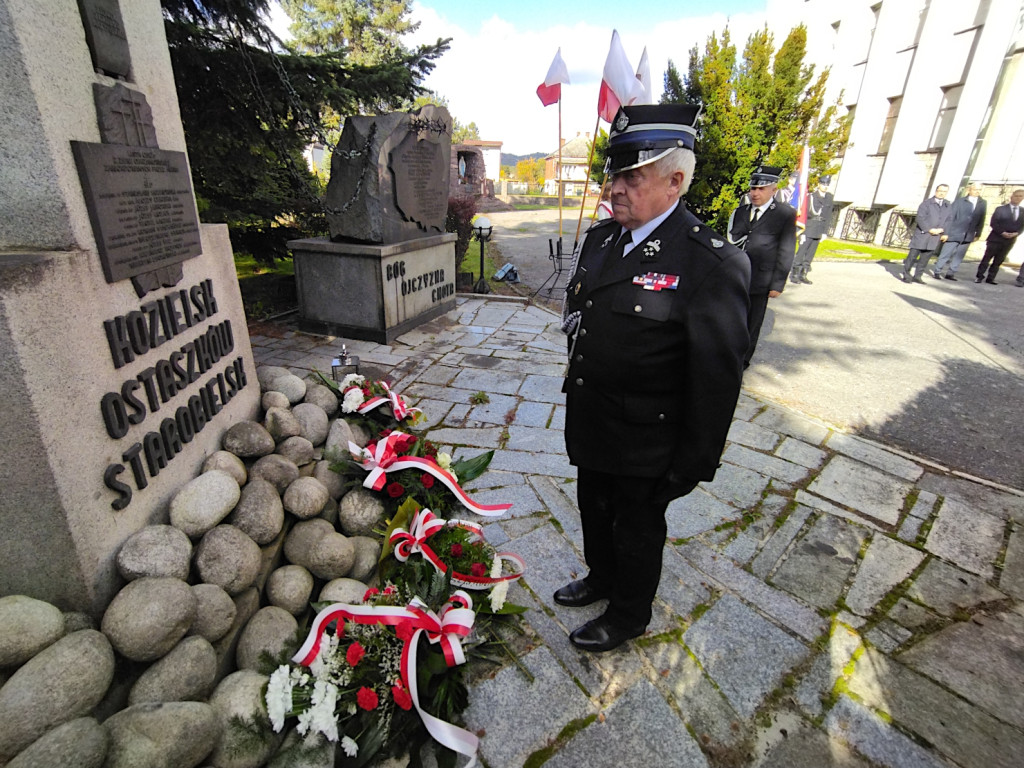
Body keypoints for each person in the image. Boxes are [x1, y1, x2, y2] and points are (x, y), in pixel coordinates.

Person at [557, 104, 750, 653]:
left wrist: (693, 462)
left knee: (637, 527)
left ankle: (628, 612)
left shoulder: (711, 264)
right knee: (593, 507)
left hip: (649, 438)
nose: (614, 187)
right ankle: (601, 576)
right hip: (595, 417)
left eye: (630, 176)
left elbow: (718, 377)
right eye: (613, 174)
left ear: (676, 181)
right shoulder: (602, 240)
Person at [728, 166, 797, 368]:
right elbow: (732, 243)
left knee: (752, 322)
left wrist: (778, 283)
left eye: (761, 189)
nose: (755, 193)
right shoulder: (740, 212)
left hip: (761, 279)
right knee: (731, 319)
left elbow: (786, 249)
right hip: (737, 277)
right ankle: (728, 355)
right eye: (753, 189)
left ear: (774, 190)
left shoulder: (784, 214)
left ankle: (742, 361)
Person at [932, 182, 987, 280]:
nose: (977, 192)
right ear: (969, 190)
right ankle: (937, 270)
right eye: (975, 189)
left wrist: (978, 233)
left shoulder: (982, 203)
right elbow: (950, 218)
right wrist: (946, 233)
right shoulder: (960, 202)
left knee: (959, 256)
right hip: (954, 232)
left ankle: (951, 273)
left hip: (968, 234)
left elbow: (981, 218)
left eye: (979, 190)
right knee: (946, 253)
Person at [790, 175, 834, 285]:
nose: (825, 186)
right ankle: (795, 274)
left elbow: (828, 216)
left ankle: (803, 274)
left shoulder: (829, 198)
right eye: (823, 184)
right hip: (809, 227)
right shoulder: (811, 197)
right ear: (819, 184)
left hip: (819, 229)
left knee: (810, 254)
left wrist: (824, 232)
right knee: (801, 252)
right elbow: (804, 214)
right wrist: (802, 232)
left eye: (827, 184)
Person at [902, 185, 950, 283]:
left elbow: (949, 219)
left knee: (925, 258)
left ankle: (918, 276)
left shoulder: (947, 205)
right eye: (940, 191)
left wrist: (944, 231)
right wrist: (929, 229)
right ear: (936, 191)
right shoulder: (927, 203)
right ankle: (906, 275)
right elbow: (920, 218)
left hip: (935, 236)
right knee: (912, 257)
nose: (942, 193)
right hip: (922, 235)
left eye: (944, 191)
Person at [975, 188, 1024, 284]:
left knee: (999, 260)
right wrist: (1002, 232)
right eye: (1016, 196)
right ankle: (979, 276)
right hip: (996, 238)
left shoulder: (1023, 211)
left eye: (1021, 196)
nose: (1018, 198)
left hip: (1010, 240)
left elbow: (1022, 226)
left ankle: (991, 278)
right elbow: (994, 223)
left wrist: (1016, 233)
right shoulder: (1001, 209)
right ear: (1012, 196)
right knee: (987, 258)